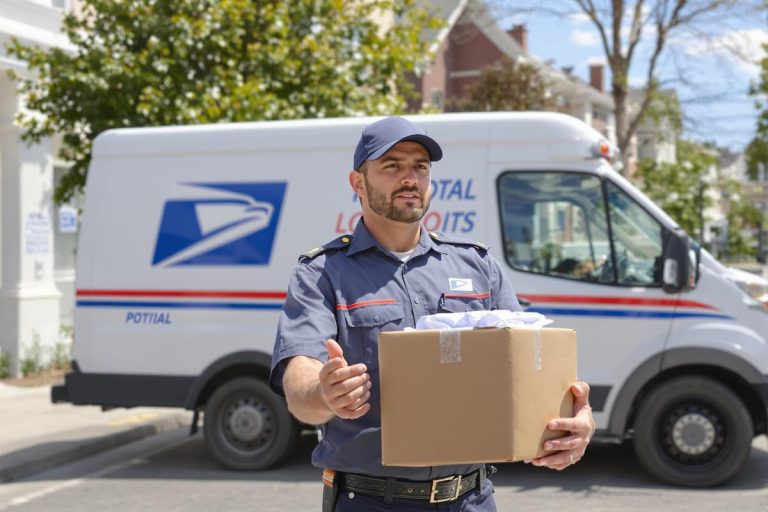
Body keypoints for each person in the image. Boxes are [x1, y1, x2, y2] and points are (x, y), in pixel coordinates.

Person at [269, 116, 596, 511]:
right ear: (358, 182)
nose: (410, 178)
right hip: (372, 501)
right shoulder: (322, 273)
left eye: (420, 167)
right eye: (392, 166)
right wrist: (325, 392)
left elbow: (529, 366)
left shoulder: (477, 265)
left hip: (471, 499)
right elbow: (299, 383)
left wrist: (579, 420)